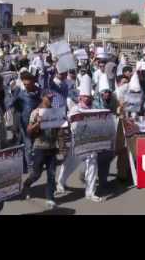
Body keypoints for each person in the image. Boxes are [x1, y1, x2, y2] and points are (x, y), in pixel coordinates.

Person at [57, 74, 103, 202]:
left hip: (91, 143)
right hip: (77, 142)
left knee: (92, 166)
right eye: (85, 97)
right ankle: (60, 183)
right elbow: (70, 124)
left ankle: (90, 192)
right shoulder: (75, 109)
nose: (87, 99)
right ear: (80, 97)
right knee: (69, 164)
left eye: (89, 97)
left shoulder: (94, 109)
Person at [22, 92, 61, 209]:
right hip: (40, 147)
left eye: (52, 98)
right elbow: (28, 131)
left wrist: (63, 121)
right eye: (49, 98)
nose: (51, 100)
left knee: (52, 174)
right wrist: (38, 124)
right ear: (43, 98)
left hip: (52, 147)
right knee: (36, 174)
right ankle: (27, 184)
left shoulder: (54, 111)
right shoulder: (36, 112)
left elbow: (59, 127)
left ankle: (50, 198)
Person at [13, 71, 41, 173]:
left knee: (37, 146)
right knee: (28, 147)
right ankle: (30, 169)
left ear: (33, 82)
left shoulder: (39, 93)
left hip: (37, 124)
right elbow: (12, 105)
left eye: (28, 84)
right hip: (25, 126)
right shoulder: (21, 95)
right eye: (24, 84)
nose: (26, 86)